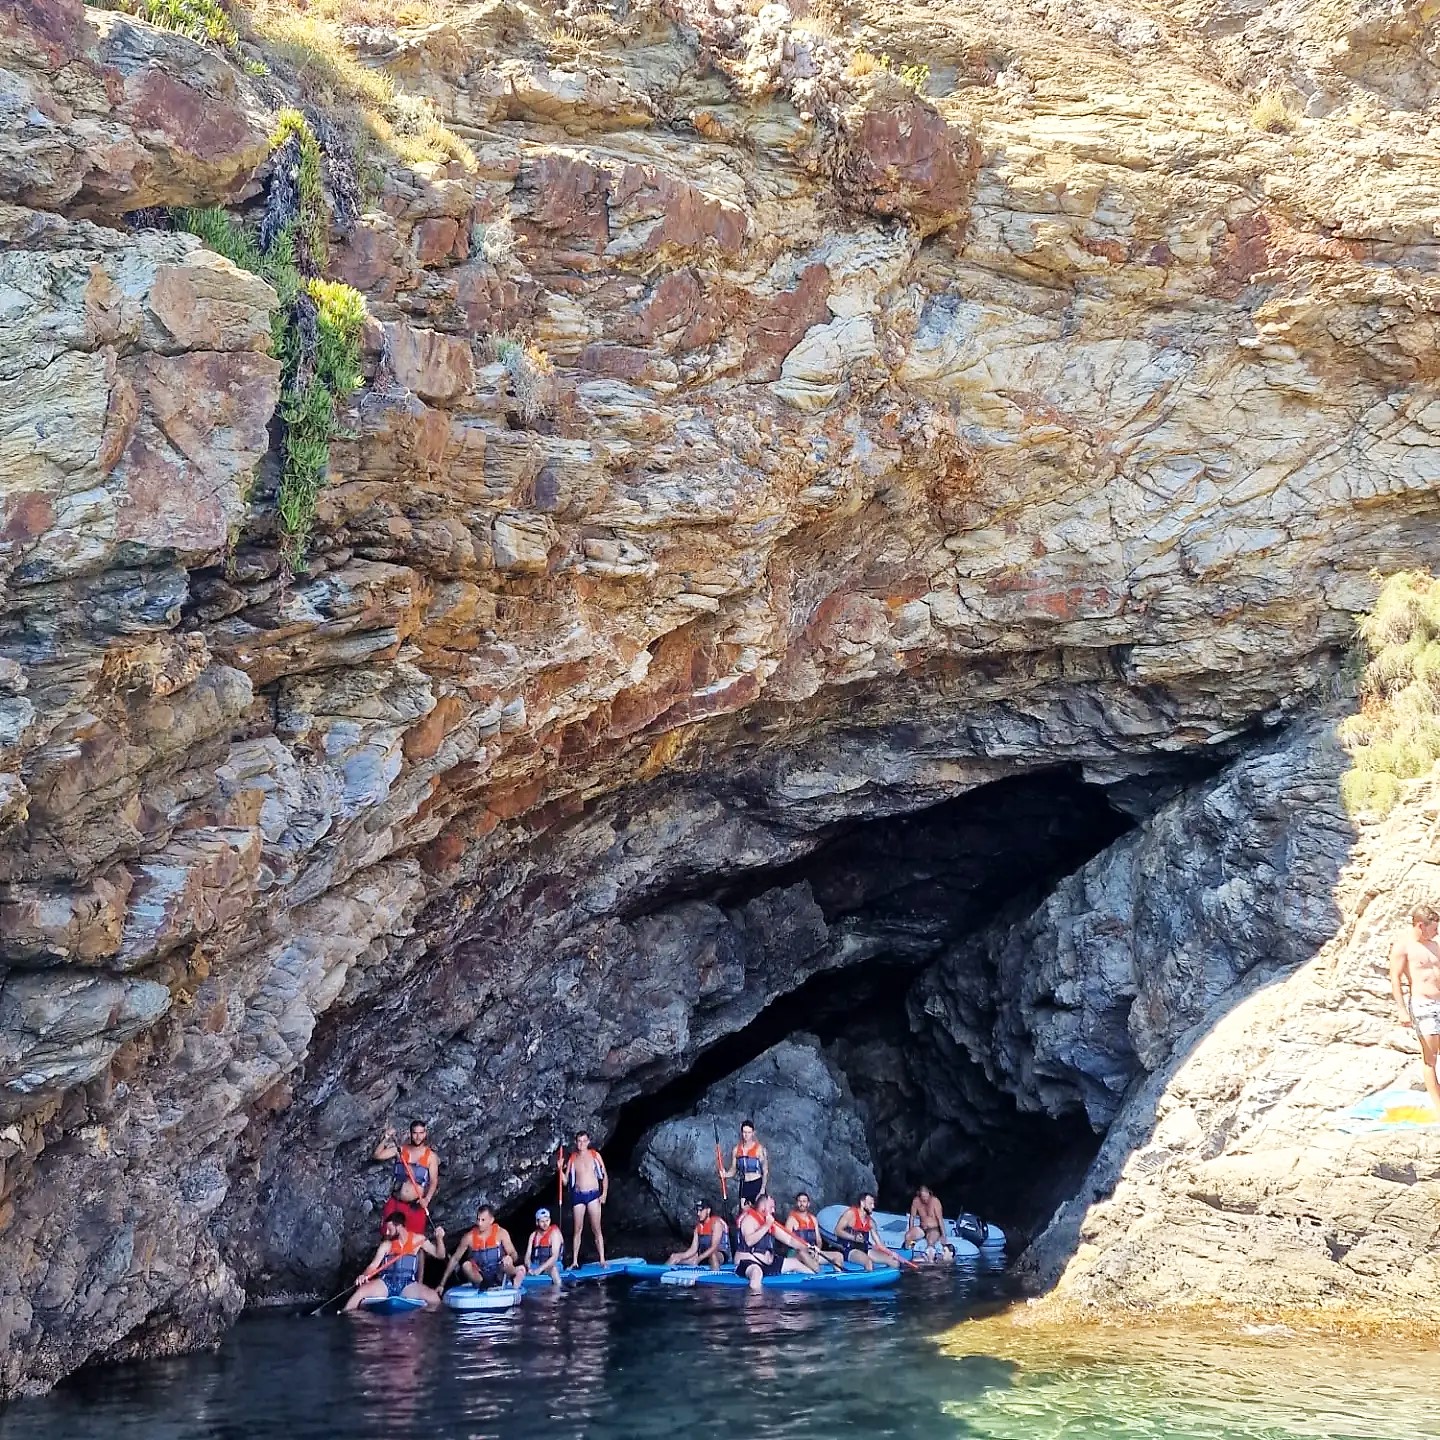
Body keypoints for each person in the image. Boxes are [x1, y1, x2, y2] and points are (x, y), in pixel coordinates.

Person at [1390, 903, 1440, 1112]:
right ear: (1420, 925)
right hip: (1423, 1004)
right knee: (1430, 1057)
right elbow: (1395, 978)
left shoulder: (1434, 945)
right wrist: (1402, 1009)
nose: (1436, 932)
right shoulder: (1404, 947)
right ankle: (1438, 1107)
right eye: (1433, 928)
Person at [345, 1214, 446, 1310]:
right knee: (360, 1293)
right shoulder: (386, 1245)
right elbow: (373, 1265)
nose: (387, 1233)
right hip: (385, 1283)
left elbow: (440, 1255)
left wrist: (439, 1239)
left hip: (408, 1284)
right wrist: (364, 1275)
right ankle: (344, 1313)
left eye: (390, 1229)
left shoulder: (418, 1239)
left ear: (398, 1226)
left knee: (434, 1298)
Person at [734, 1193, 816, 1293]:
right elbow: (749, 1241)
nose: (773, 1210)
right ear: (763, 1207)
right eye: (771, 1207)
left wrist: (807, 1247)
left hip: (769, 1263)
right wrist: (767, 1225)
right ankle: (755, 1305)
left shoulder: (769, 1222)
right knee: (756, 1273)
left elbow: (789, 1240)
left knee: (796, 1263)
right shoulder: (749, 1220)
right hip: (749, 1262)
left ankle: (817, 1283)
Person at [441, 1204, 526, 1291]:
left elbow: (514, 1254)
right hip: (481, 1274)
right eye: (478, 1219)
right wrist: (442, 1284)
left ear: (491, 1220)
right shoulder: (469, 1237)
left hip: (500, 1272)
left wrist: (509, 1257)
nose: (479, 1223)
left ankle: (516, 1273)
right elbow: (455, 1259)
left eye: (483, 1220)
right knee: (466, 1266)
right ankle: (484, 1285)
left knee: (508, 1261)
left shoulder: (501, 1233)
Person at [372, 1120, 439, 1208]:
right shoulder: (401, 1150)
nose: (418, 1137)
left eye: (421, 1133)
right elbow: (377, 1155)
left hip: (415, 1206)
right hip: (395, 1202)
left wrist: (427, 1199)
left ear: (425, 1134)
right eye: (415, 1133)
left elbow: (434, 1181)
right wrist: (386, 1137)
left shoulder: (431, 1156)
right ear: (410, 1133)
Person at [566, 1130, 608, 1268]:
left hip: (593, 1194)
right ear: (576, 1143)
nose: (581, 1144)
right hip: (578, 1195)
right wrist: (560, 1169)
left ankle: (602, 1259)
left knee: (596, 1228)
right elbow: (566, 1181)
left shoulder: (595, 1155)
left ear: (588, 1142)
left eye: (584, 1141)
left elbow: (604, 1175)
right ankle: (575, 1261)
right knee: (577, 1229)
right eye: (579, 1141)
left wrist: (604, 1194)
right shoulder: (572, 1158)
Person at [833, 1192, 901, 1271]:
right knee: (868, 1262)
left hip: (864, 1249)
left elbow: (879, 1244)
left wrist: (891, 1253)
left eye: (873, 1204)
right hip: (849, 1249)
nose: (873, 1206)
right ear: (862, 1203)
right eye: (870, 1203)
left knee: (894, 1262)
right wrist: (853, 1237)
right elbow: (837, 1231)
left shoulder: (871, 1222)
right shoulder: (850, 1214)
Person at [785, 1191, 844, 1270]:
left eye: (804, 1201)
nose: (801, 1203)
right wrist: (805, 1250)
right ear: (796, 1203)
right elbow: (787, 1241)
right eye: (799, 1201)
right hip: (797, 1254)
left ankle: (837, 1275)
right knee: (806, 1257)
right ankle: (815, 1270)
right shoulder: (791, 1219)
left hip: (812, 1253)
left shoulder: (813, 1219)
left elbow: (819, 1240)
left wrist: (817, 1251)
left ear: (808, 1204)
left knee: (838, 1256)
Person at [667, 1200, 730, 1269]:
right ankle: (661, 1274)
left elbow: (714, 1247)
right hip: (703, 1255)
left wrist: (699, 1259)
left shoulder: (716, 1224)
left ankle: (716, 1277)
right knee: (674, 1257)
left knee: (713, 1256)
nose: (698, 1214)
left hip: (719, 1254)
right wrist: (680, 1256)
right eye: (697, 1211)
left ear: (708, 1210)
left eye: (701, 1211)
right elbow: (693, 1249)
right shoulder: (698, 1228)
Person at [721, 1120, 768, 1208]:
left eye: (749, 1132)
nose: (746, 1135)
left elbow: (765, 1171)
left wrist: (762, 1188)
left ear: (753, 1133)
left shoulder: (759, 1149)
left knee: (760, 1211)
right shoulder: (736, 1150)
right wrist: (725, 1175)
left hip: (757, 1183)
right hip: (745, 1185)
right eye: (744, 1132)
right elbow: (733, 1169)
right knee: (744, 1209)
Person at [524, 1207, 565, 1288]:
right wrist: (528, 1267)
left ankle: (558, 1292)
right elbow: (527, 1255)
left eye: (547, 1220)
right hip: (536, 1264)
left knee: (553, 1269)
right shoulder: (533, 1235)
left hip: (553, 1265)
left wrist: (539, 1270)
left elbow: (554, 1257)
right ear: (537, 1222)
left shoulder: (554, 1234)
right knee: (521, 1270)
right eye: (542, 1221)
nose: (545, 1224)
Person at [903, 1185, 947, 1256]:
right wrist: (911, 1230)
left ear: (929, 1193)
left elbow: (940, 1219)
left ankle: (930, 1260)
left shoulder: (935, 1201)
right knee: (908, 1236)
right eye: (922, 1197)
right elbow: (912, 1217)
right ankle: (910, 1254)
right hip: (922, 1228)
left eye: (926, 1196)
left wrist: (943, 1235)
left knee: (930, 1241)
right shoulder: (916, 1201)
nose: (924, 1199)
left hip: (934, 1229)